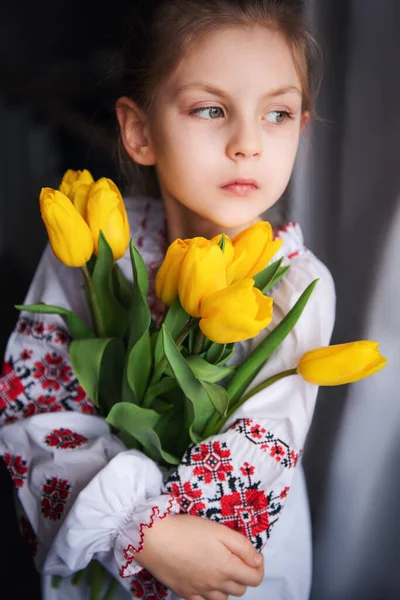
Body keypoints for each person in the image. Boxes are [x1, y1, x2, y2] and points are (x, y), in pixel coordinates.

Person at [0, 1, 336, 599]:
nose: (248, 143)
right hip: (100, 552)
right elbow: (38, 400)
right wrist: (139, 531)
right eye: (211, 109)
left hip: (225, 570)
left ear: (301, 129)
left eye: (278, 113)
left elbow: (260, 450)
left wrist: (158, 532)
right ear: (140, 132)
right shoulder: (94, 244)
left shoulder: (294, 288)